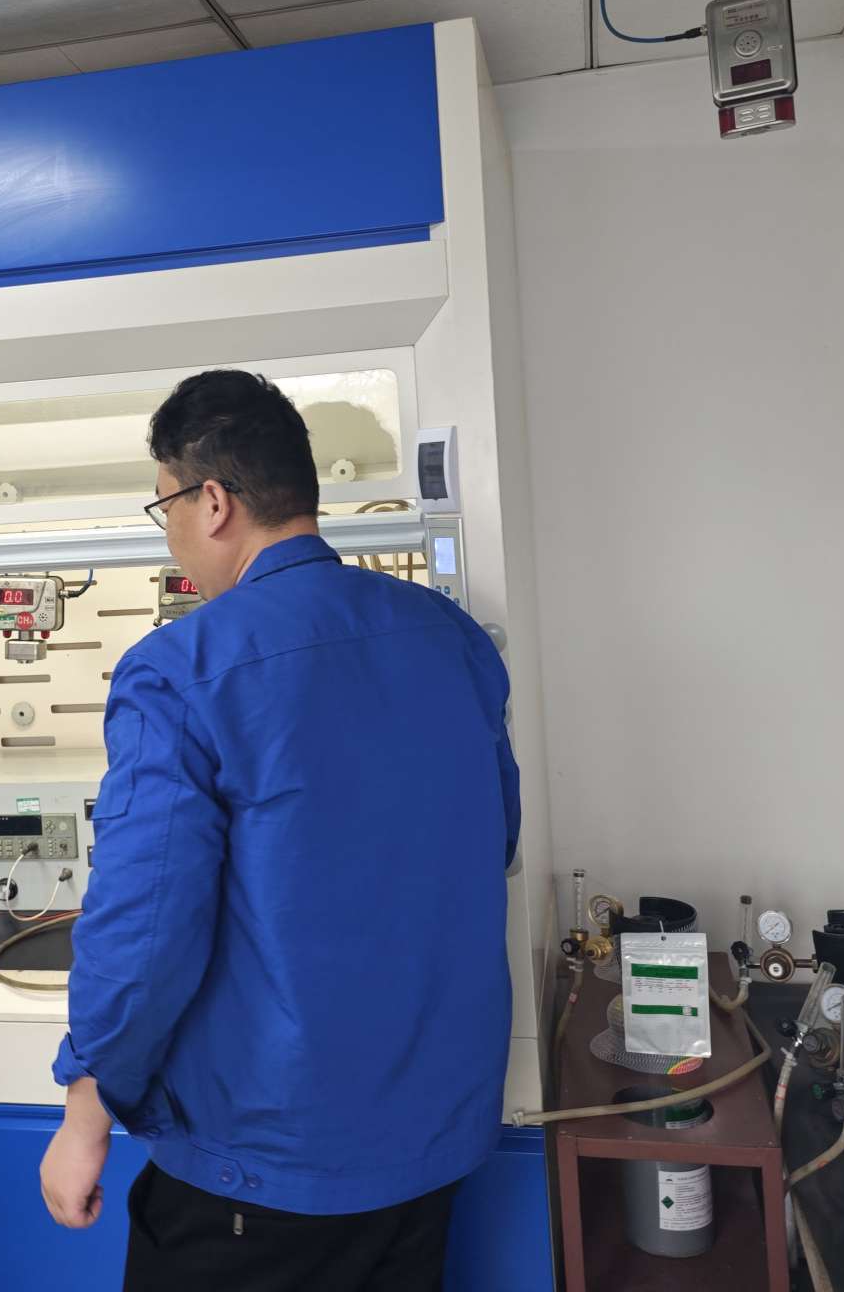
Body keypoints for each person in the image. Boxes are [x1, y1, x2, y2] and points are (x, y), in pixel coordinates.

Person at [39, 370, 520, 1291]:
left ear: (213, 501)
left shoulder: (178, 669)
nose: (172, 534)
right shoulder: (449, 637)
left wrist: (87, 1109)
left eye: (166, 507)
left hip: (261, 1167)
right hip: (432, 1146)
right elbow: (492, 841)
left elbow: (146, 927)